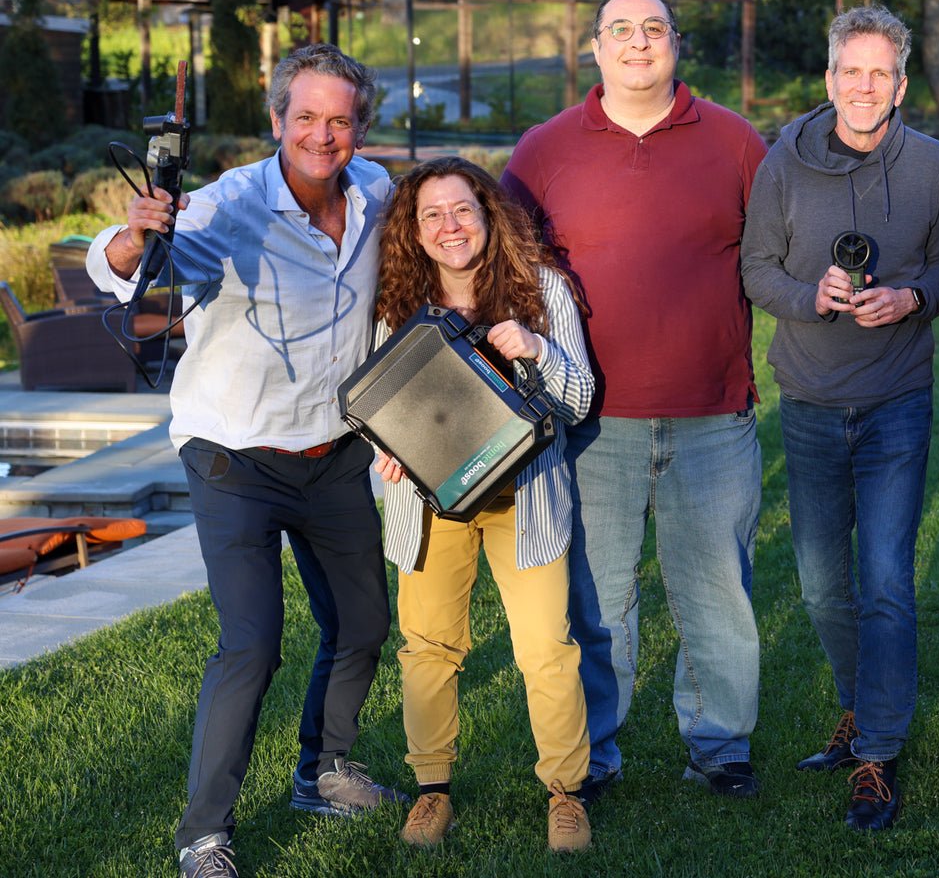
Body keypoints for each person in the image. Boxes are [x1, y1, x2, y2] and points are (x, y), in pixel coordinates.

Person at [85, 43, 404, 878]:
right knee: (253, 643)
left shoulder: (375, 194)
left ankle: (323, 769)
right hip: (234, 454)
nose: (322, 135)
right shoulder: (225, 207)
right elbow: (116, 273)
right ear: (276, 121)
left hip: (333, 450)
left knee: (364, 621)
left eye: (340, 120)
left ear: (360, 128)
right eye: (306, 118)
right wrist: (131, 238)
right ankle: (204, 835)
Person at [500, 0, 767, 799]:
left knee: (718, 593)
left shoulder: (735, 143)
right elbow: (506, 270)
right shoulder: (544, 150)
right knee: (598, 600)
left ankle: (720, 745)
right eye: (622, 30)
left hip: (712, 411)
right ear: (595, 47)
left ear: (675, 44)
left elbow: (773, 259)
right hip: (588, 420)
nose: (638, 43)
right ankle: (594, 754)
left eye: (654, 29)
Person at [741, 3, 939, 830]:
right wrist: (814, 297)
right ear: (830, 78)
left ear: (900, 84)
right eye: (851, 71)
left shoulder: (934, 165)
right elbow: (756, 268)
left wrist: (912, 296)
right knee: (820, 584)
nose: (864, 86)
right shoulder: (782, 164)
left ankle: (876, 750)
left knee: (884, 581)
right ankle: (856, 705)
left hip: (896, 402)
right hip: (807, 398)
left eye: (881, 73)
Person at [371, 157, 595, 852]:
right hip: (431, 500)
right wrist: (388, 450)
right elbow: (379, 408)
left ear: (487, 213)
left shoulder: (542, 290)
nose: (449, 226)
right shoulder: (397, 304)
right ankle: (431, 790)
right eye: (432, 214)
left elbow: (581, 400)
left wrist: (536, 349)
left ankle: (566, 795)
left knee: (546, 650)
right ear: (414, 228)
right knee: (428, 649)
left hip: (524, 498)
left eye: (462, 209)